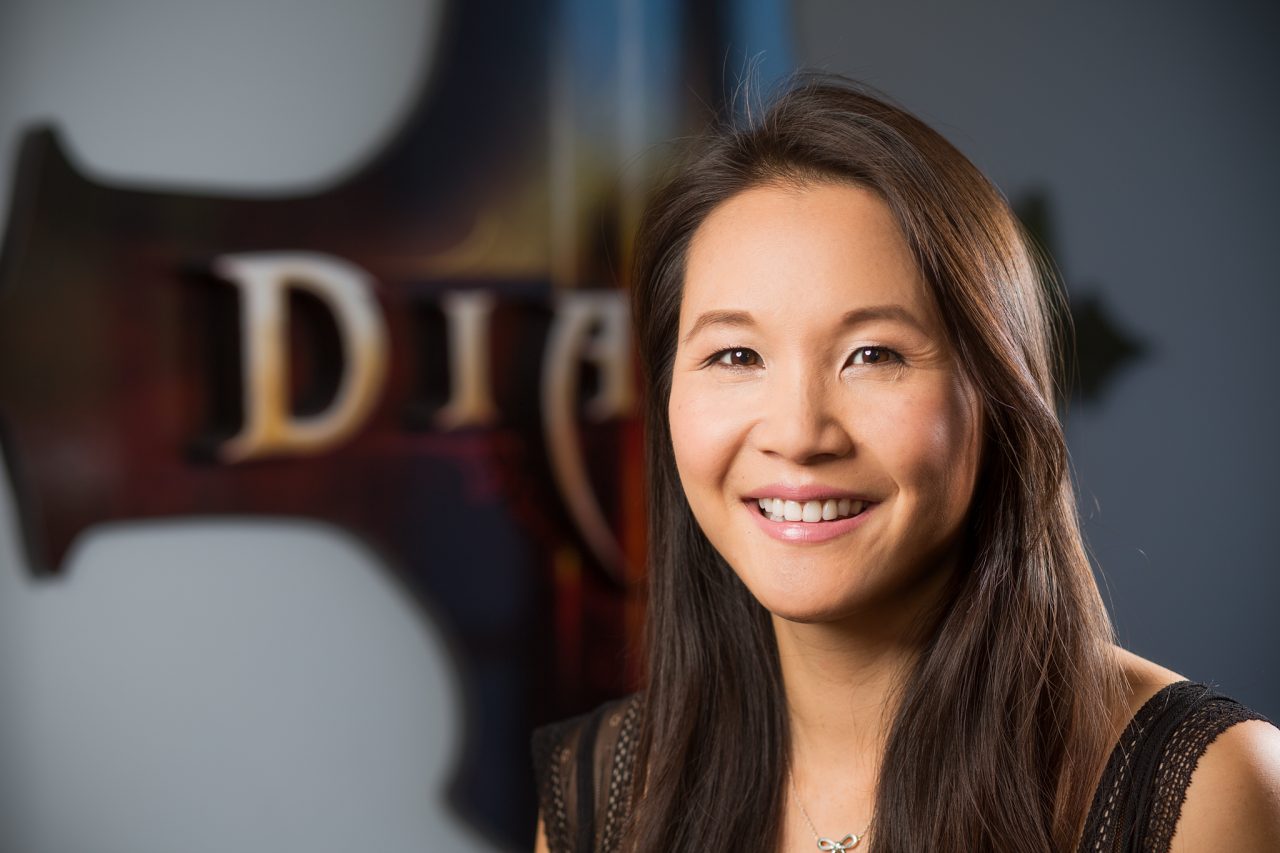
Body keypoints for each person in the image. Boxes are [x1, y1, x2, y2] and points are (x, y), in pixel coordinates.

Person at [530, 76, 1280, 853]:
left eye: (873, 354)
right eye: (735, 354)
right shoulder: (604, 795)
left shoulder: (1201, 792)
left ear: (995, 392)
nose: (798, 432)